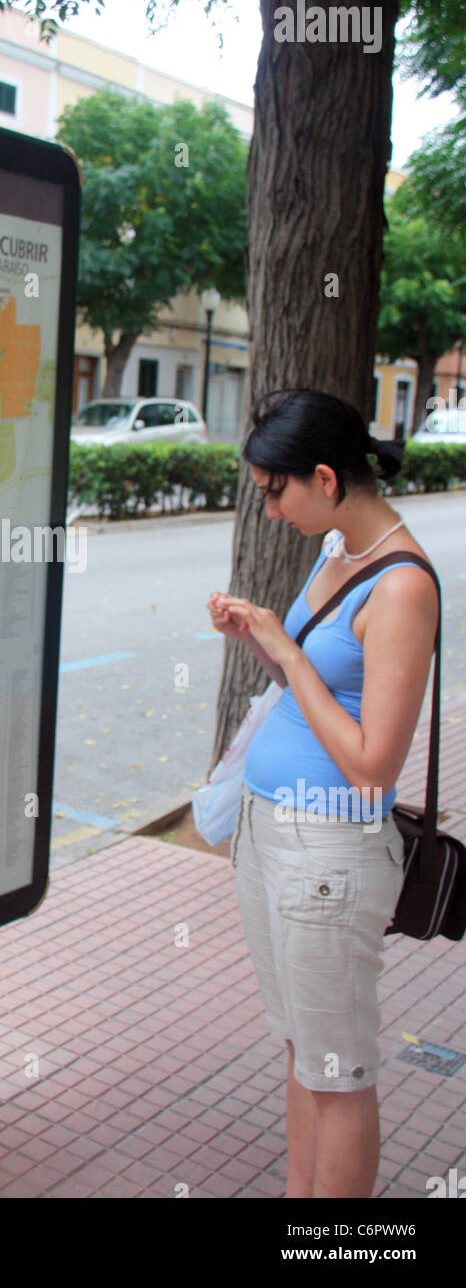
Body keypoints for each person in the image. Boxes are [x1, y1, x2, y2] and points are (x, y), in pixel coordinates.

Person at [206, 388, 438, 1199]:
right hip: (270, 835)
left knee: (337, 1073)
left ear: (328, 477)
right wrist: (265, 643)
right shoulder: (334, 547)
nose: (270, 510)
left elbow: (373, 764)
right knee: (305, 1055)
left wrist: (290, 654)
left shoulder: (404, 586)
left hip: (329, 851)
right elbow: (322, 694)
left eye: (276, 490)